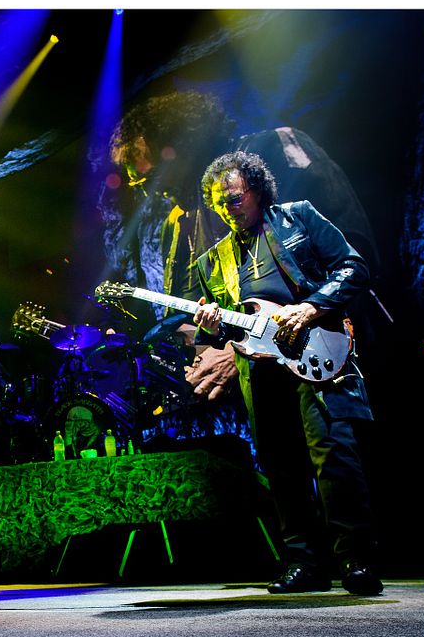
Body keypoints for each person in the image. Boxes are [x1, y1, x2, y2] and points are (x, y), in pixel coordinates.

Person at [105, 90, 382, 402]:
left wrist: (237, 353)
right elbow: (192, 314)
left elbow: (354, 254)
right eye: (139, 185)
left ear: (182, 144)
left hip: (338, 364)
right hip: (264, 392)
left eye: (152, 177)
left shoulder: (273, 149)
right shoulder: (180, 222)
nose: (152, 193)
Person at [190, 151, 381, 595]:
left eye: (233, 199)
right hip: (260, 367)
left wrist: (313, 306)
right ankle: (304, 561)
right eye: (218, 203)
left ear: (256, 190)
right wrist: (213, 328)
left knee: (332, 455)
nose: (226, 209)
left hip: (316, 350)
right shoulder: (210, 263)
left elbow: (354, 268)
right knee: (280, 464)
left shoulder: (297, 218)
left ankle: (354, 558)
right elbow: (226, 334)